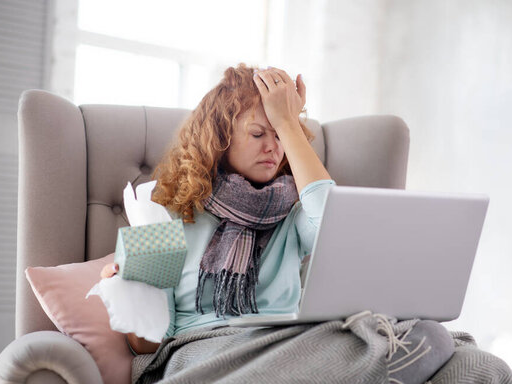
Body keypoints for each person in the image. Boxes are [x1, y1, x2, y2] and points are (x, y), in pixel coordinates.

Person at [100, 63, 454, 383]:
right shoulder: (163, 209)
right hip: (204, 351)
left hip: (293, 345)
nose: (273, 147)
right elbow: (145, 343)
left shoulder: (293, 211)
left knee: (438, 340)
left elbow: (335, 231)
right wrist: (131, 294)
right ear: (220, 139)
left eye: (280, 137)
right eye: (258, 134)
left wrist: (290, 124)